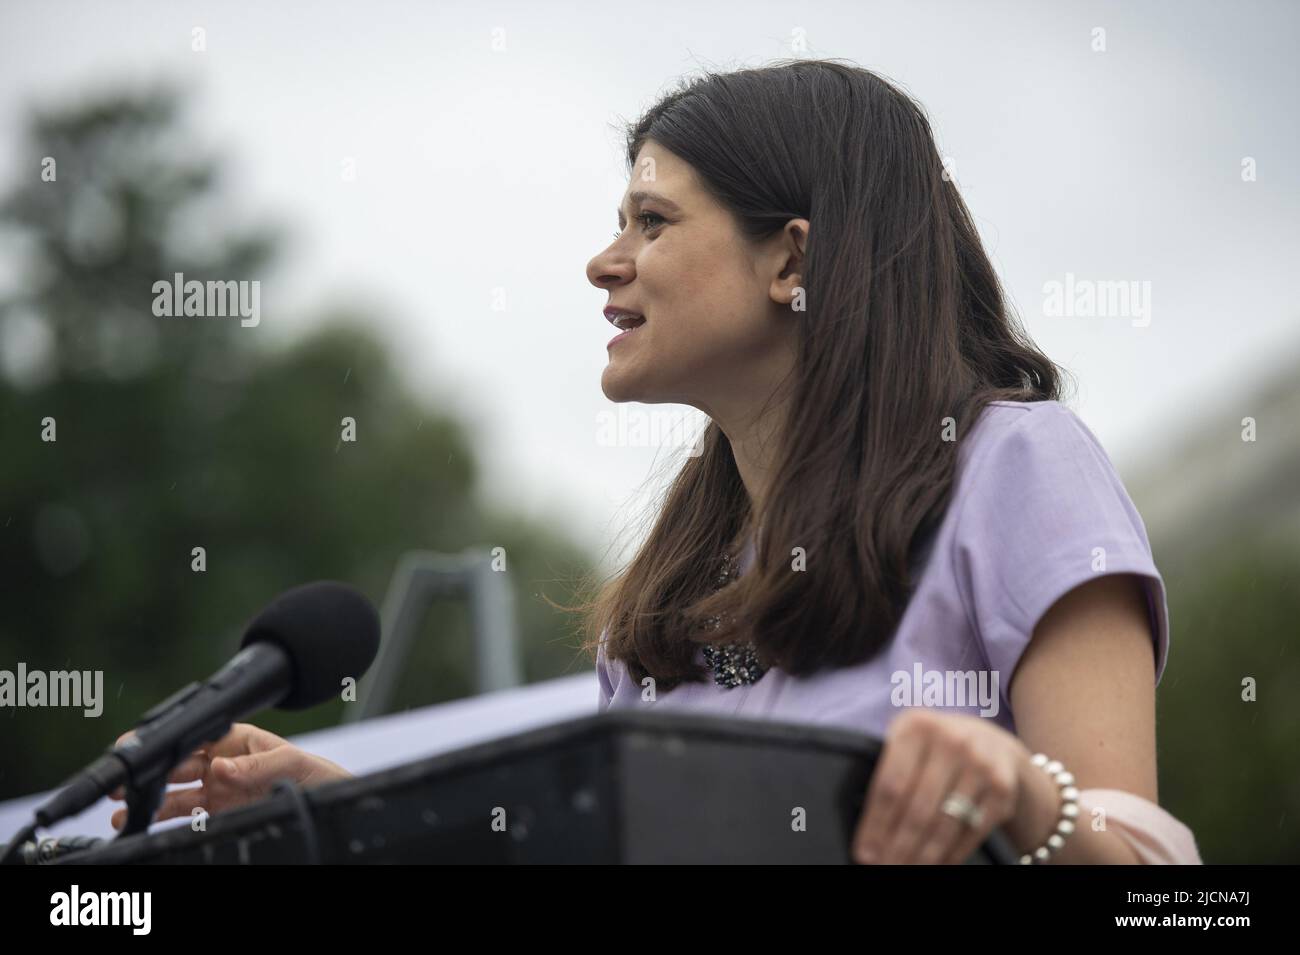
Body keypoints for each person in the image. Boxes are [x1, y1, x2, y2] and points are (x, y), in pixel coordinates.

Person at [116, 58, 1200, 864]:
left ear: (791, 258)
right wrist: (339, 809)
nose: (604, 261)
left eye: (650, 220)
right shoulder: (674, 585)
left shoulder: (1018, 466)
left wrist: (1022, 794)